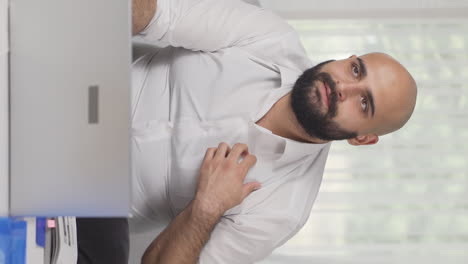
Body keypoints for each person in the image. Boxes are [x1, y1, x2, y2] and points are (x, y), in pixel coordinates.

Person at [78, 0, 418, 263]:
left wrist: (206, 208)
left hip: (88, 202)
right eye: (356, 69)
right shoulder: (269, 35)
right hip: (84, 87)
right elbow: (154, 15)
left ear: (363, 138)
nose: (344, 86)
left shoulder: (283, 209)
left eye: (364, 103)